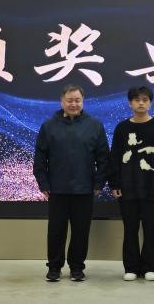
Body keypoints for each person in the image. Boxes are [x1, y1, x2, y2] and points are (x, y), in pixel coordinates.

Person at [33, 84, 110, 282]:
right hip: (57, 189)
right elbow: (40, 158)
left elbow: (103, 158)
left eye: (77, 100)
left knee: (81, 231)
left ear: (83, 101)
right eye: (70, 100)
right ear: (62, 101)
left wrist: (99, 183)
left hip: (84, 189)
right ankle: (54, 267)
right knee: (56, 231)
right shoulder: (49, 126)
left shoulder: (94, 125)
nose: (74, 104)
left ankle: (77, 267)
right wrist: (43, 184)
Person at [108, 86, 154, 282]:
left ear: (150, 103)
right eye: (137, 100)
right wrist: (114, 183)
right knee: (130, 229)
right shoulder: (122, 128)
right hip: (127, 187)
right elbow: (115, 157)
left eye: (145, 100)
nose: (141, 103)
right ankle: (131, 267)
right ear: (130, 103)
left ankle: (149, 267)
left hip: (152, 188)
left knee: (151, 229)